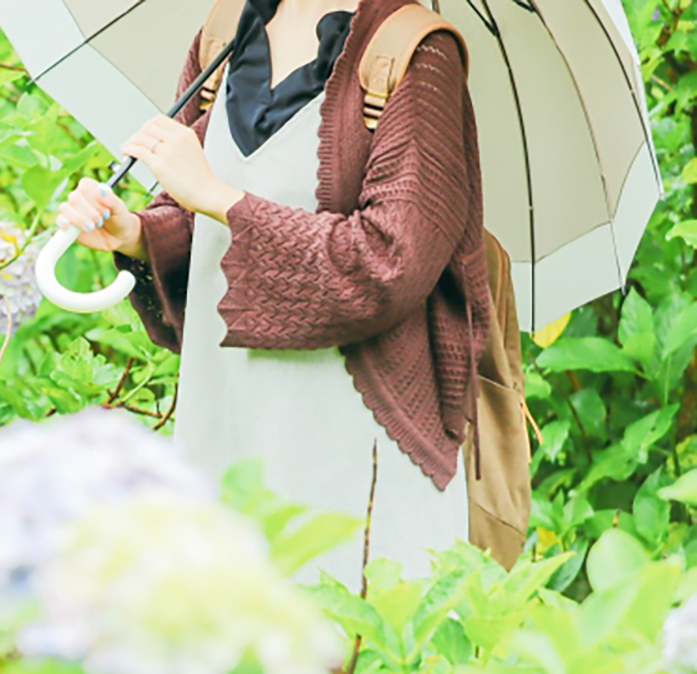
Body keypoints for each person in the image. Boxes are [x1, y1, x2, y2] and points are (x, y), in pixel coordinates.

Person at [55, 0, 490, 592]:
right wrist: (136, 233)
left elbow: (391, 264)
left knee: (346, 652)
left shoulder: (415, 54)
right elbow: (193, 219)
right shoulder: (225, 32)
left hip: (349, 435)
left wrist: (220, 198)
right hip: (225, 416)